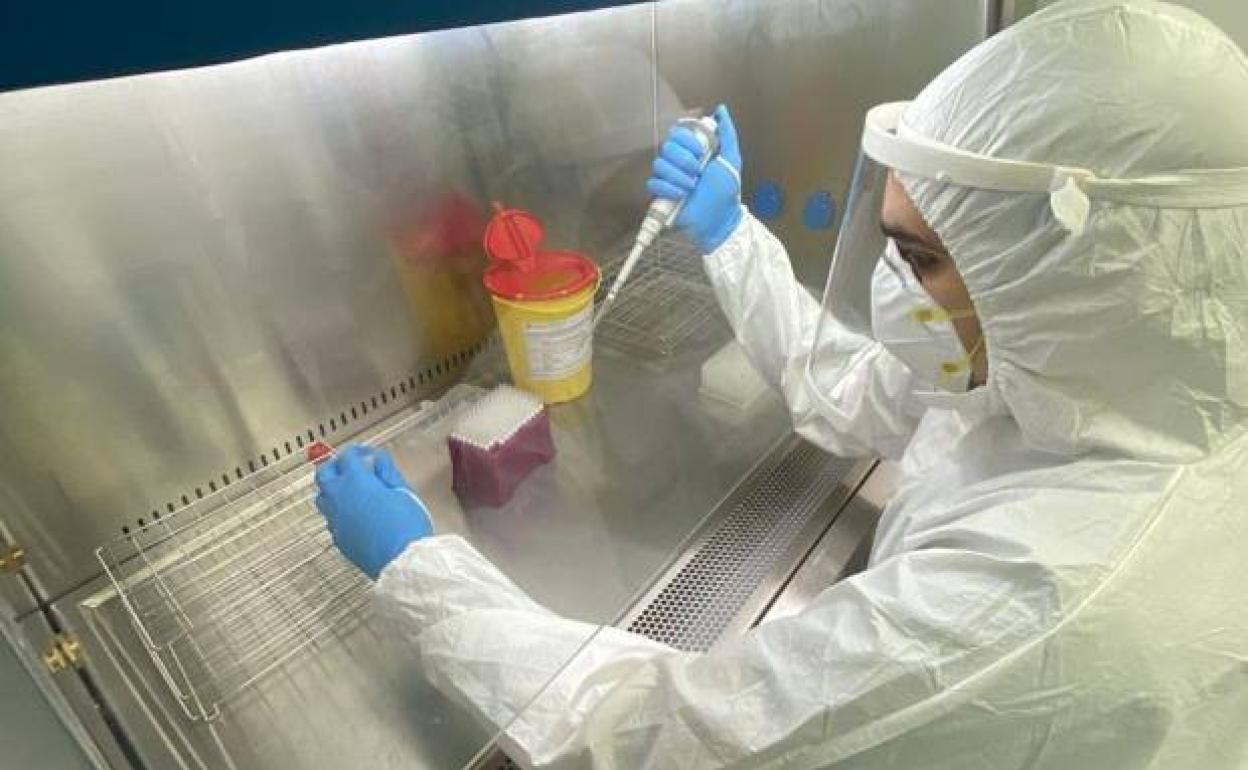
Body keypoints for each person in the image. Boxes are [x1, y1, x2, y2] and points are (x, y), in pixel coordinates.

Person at [315, 1, 1248, 767]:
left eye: (921, 258)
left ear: (1075, 278)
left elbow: (662, 737)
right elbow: (859, 389)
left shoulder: (1034, 601)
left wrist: (417, 570)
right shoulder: (1109, 386)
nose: (894, 286)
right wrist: (729, 236)